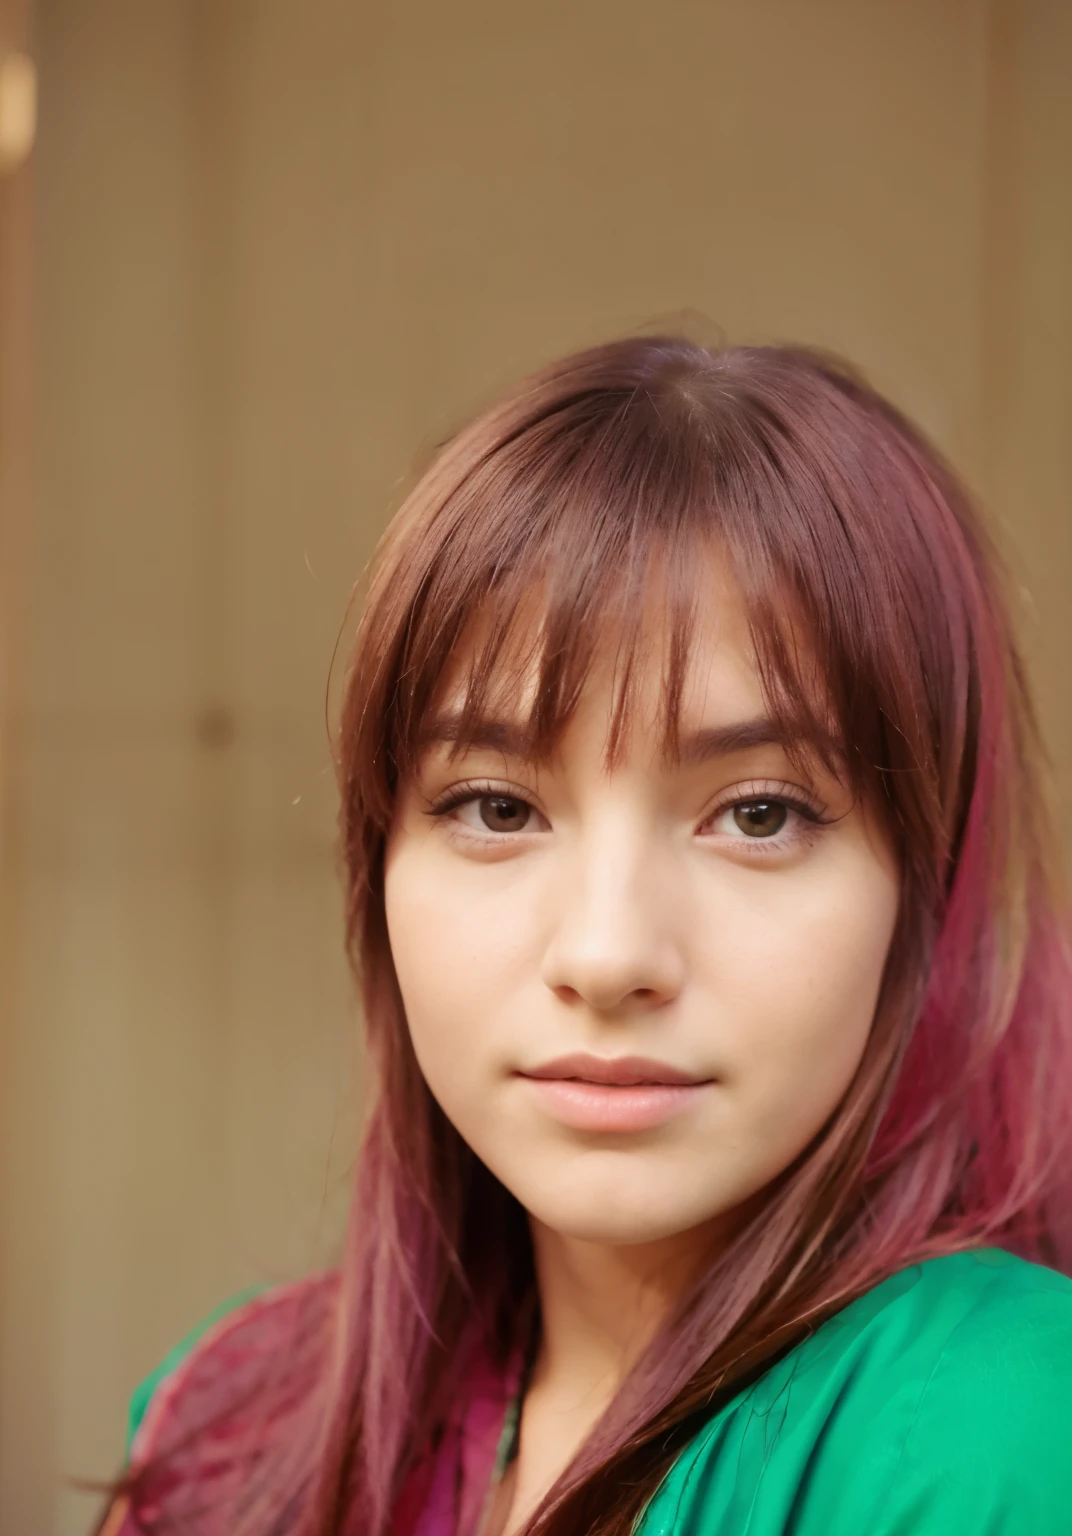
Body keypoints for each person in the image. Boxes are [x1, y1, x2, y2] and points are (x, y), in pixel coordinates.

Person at [98, 337, 1072, 1536]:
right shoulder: (229, 1428)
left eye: (756, 814)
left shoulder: (993, 1427)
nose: (607, 957)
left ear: (924, 886)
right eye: (496, 807)